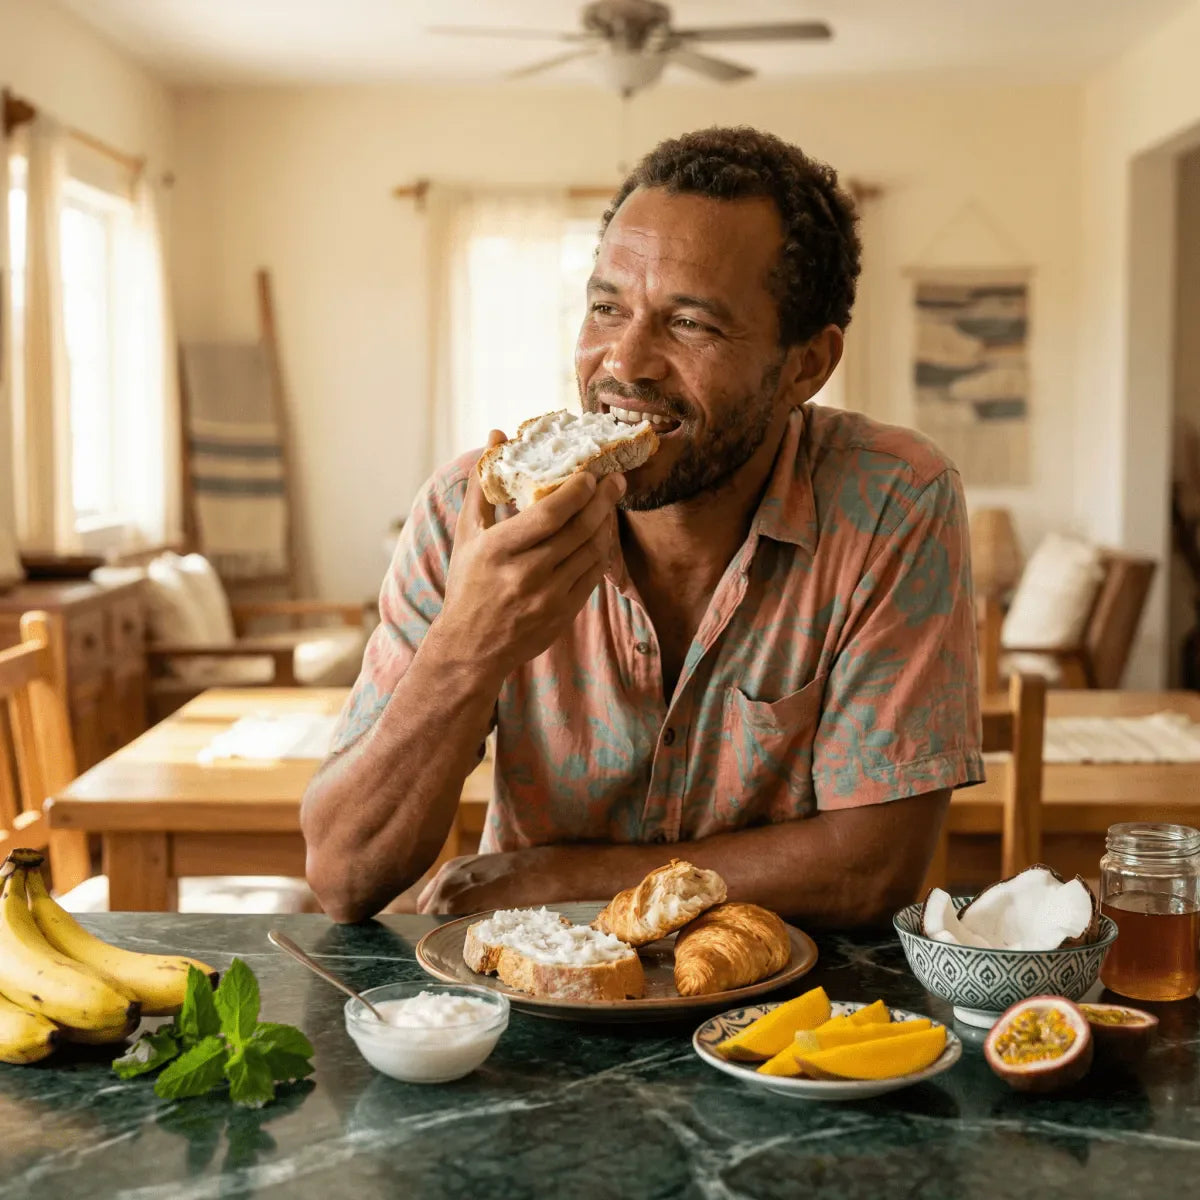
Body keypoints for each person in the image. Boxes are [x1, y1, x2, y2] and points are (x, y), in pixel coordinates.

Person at [301, 126, 983, 925]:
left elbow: (872, 870)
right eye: (606, 308)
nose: (624, 363)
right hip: (534, 985)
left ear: (806, 365)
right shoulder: (472, 514)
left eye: (690, 323)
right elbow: (345, 877)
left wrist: (552, 880)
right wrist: (467, 646)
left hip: (798, 993)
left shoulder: (893, 502)